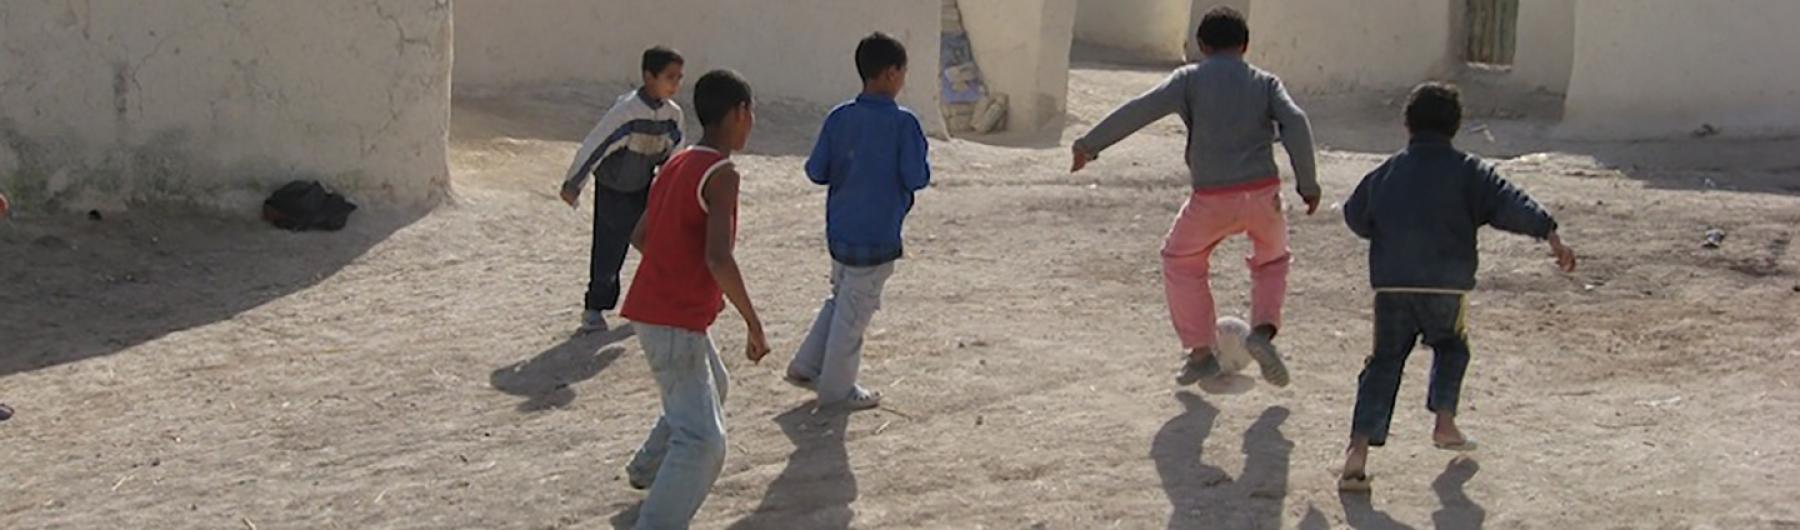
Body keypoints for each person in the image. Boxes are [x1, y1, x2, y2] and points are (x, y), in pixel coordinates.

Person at [1336, 82, 1577, 492]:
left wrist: (1389, 233)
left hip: (1392, 286)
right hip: (1447, 288)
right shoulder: (1469, 171)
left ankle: (1357, 451)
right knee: (1451, 346)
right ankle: (1444, 422)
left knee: (1384, 363)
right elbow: (1509, 202)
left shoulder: (1388, 171)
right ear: (1456, 127)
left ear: (1407, 125)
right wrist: (1549, 232)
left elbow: (1356, 216)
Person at [1069, 7, 1318, 388]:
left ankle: (1201, 352)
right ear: (1246, 46)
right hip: (1264, 194)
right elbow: (1296, 122)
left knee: (1181, 259)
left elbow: (1140, 109)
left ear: (1201, 45)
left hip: (1212, 196)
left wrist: (1089, 145)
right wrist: (1308, 185)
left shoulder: (1189, 80)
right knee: (1273, 260)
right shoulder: (1265, 82)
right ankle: (1263, 333)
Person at [617, 69, 770, 528]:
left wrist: (683, 276)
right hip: (673, 321)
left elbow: (642, 234)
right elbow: (719, 258)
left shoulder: (680, 162)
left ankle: (649, 467)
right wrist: (753, 322)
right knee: (704, 441)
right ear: (741, 113)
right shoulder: (721, 174)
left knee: (714, 385)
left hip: (655, 310)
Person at [783, 32, 930, 410]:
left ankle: (806, 364)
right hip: (878, 234)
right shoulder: (903, 124)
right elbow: (916, 177)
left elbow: (817, 171)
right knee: (855, 313)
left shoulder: (839, 117)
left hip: (841, 229)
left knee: (841, 298)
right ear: (891, 73)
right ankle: (837, 389)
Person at [560, 46, 687, 332]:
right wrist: (574, 183)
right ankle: (595, 309)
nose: (676, 84)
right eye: (670, 77)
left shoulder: (673, 116)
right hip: (614, 190)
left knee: (658, 243)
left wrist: (672, 194)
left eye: (679, 77)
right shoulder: (626, 112)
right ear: (648, 76)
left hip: (645, 188)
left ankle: (657, 301)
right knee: (609, 251)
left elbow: (675, 158)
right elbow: (596, 145)